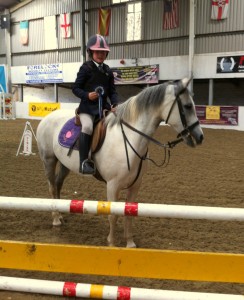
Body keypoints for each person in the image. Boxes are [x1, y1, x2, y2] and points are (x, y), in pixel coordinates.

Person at [72, 34, 119, 175]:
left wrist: (115, 103)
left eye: (103, 52)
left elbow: (112, 91)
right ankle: (84, 162)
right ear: (91, 52)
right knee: (87, 127)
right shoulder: (85, 68)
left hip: (103, 109)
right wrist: (87, 95)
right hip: (87, 109)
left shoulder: (108, 71)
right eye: (98, 52)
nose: (100, 54)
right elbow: (75, 88)